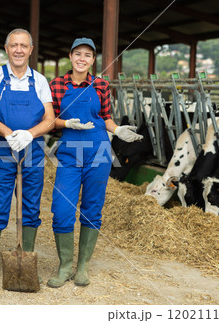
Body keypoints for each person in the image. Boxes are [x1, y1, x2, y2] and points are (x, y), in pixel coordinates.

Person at [47, 38, 142, 288]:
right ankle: (65, 265)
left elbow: (106, 117)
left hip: (98, 149)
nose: (82, 58)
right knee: (61, 209)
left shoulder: (101, 85)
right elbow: (49, 120)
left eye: (87, 55)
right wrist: (66, 123)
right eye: (77, 53)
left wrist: (118, 129)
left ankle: (82, 266)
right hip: (69, 150)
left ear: (92, 60)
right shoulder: (56, 84)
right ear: (70, 56)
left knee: (92, 207)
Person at [0, 28, 55, 288]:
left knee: (30, 207)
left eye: (24, 45)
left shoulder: (40, 80)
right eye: (14, 45)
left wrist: (29, 134)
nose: (19, 50)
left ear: (31, 50)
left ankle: (26, 259)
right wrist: (9, 133)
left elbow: (50, 119)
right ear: (7, 49)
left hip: (32, 150)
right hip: (1, 148)